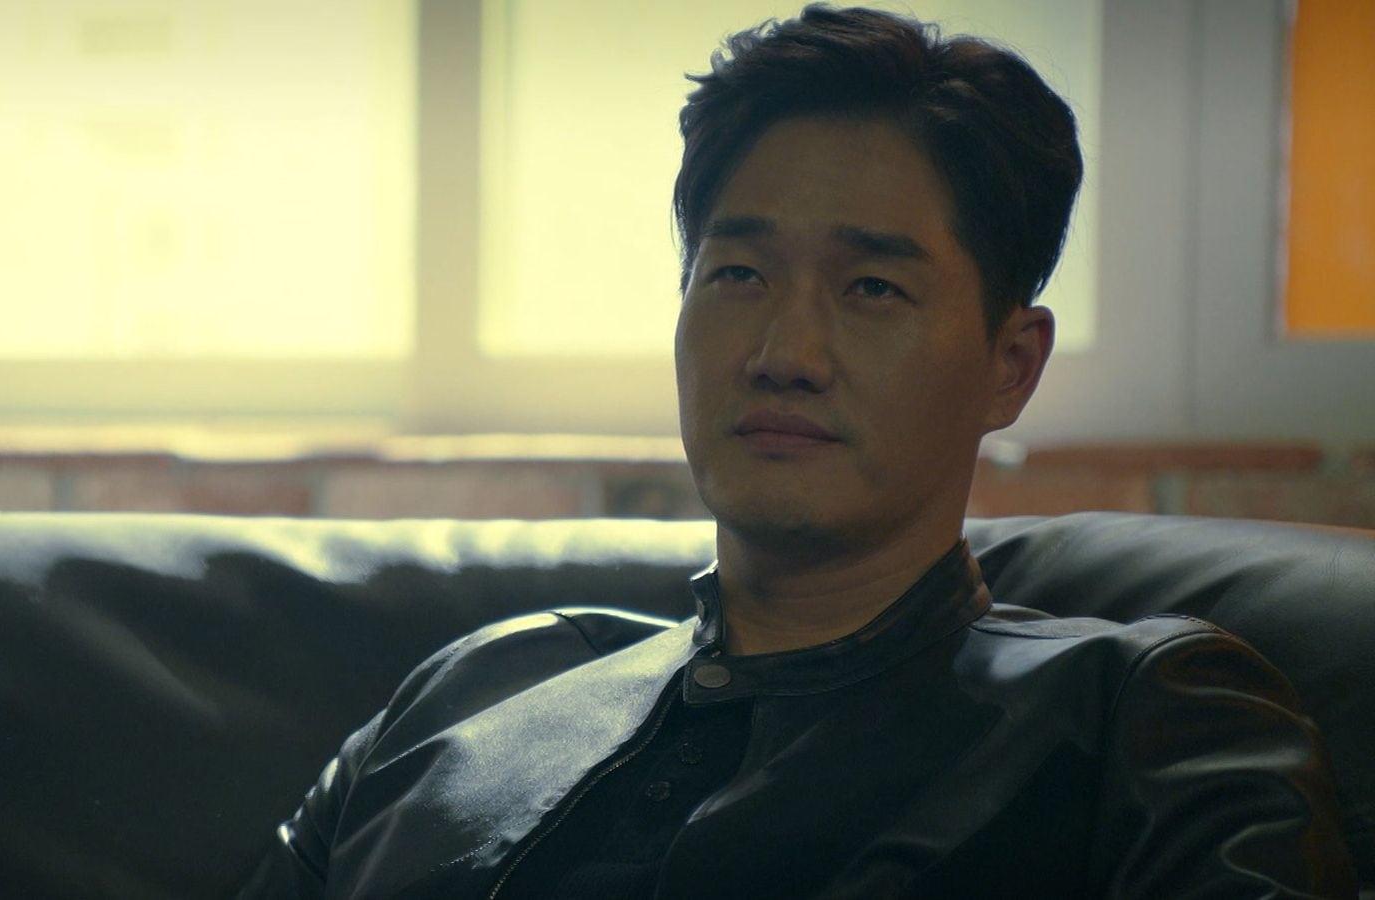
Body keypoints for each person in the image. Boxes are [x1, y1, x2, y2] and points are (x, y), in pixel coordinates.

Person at [239, 5, 1356, 898]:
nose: (785, 355)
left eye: (872, 288)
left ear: (1010, 365)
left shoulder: (1140, 722)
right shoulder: (472, 692)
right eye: (738, 275)